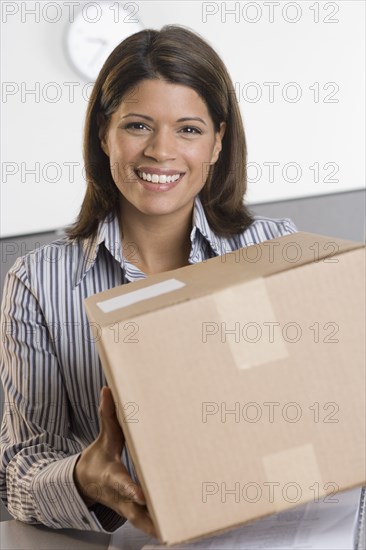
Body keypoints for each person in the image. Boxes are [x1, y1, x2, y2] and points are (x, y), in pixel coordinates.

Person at [0, 25, 297, 537]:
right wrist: (82, 478)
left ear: (218, 141)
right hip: (123, 540)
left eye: (188, 129)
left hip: (273, 530)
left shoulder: (274, 252)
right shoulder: (38, 281)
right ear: (104, 133)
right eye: (138, 126)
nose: (161, 151)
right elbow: (18, 469)